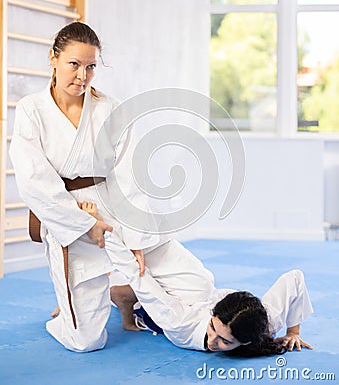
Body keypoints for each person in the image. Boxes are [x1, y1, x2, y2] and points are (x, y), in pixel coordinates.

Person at [9, 22, 214, 352]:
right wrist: (86, 225)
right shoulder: (32, 109)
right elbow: (34, 180)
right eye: (74, 64)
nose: (82, 75)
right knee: (86, 341)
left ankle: (123, 292)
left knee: (199, 287)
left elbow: (128, 176)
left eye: (91, 66)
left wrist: (136, 238)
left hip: (117, 211)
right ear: (54, 58)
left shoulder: (110, 108)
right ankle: (69, 307)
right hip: (71, 220)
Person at [84, 202, 314, 356]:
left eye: (225, 342)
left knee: (183, 286)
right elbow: (294, 279)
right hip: (187, 297)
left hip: (166, 307)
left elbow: (141, 280)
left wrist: (293, 334)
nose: (213, 341)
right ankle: (118, 284)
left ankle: (123, 297)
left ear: (245, 343)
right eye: (214, 327)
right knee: (202, 283)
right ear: (214, 313)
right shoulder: (265, 317)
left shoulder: (183, 324)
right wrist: (294, 331)